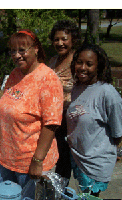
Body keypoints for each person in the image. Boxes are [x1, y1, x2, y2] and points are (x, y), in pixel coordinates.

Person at [0, 29, 63, 196]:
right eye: (12, 51)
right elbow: (9, 100)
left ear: (36, 49)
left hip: (29, 162)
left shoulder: (48, 79)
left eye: (22, 50)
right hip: (6, 157)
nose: (16, 55)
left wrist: (37, 161)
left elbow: (51, 124)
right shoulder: (15, 73)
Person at [67, 44, 122, 197]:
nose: (82, 67)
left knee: (90, 197)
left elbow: (118, 132)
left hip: (95, 163)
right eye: (79, 62)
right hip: (78, 158)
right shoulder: (78, 87)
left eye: (89, 64)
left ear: (99, 66)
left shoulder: (107, 93)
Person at [48, 19, 81, 180]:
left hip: (74, 121)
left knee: (78, 166)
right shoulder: (53, 61)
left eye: (64, 39)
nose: (60, 43)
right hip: (55, 120)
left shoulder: (79, 62)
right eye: (56, 39)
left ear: (73, 39)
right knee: (61, 163)